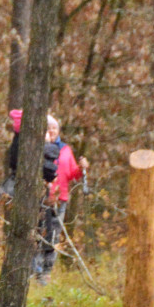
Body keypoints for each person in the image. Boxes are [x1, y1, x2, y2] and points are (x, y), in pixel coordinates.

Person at [33, 115, 88, 285]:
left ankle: (46, 272)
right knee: (37, 234)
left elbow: (73, 175)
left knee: (53, 236)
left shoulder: (65, 150)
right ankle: (34, 270)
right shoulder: (37, 147)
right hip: (39, 199)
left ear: (58, 131)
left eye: (54, 128)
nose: (51, 131)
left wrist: (81, 168)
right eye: (48, 128)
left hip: (59, 199)